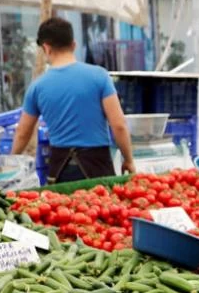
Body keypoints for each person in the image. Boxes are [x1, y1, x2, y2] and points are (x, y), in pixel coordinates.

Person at [12, 17, 136, 183]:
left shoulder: (37, 87)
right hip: (98, 167)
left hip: (60, 170)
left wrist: (10, 162)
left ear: (46, 48)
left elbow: (22, 134)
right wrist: (128, 159)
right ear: (74, 44)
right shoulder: (99, 76)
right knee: (102, 208)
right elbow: (119, 125)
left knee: (65, 208)